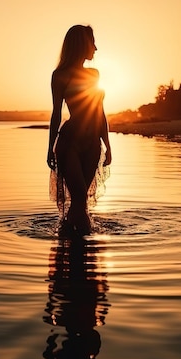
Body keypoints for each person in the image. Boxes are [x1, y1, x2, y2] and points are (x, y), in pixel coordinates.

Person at [47, 25, 112, 235]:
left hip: (92, 143)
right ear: (81, 44)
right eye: (92, 42)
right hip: (69, 143)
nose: (96, 48)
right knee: (79, 196)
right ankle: (81, 243)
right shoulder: (60, 75)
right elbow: (56, 113)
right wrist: (50, 147)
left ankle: (71, 237)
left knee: (81, 199)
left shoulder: (94, 74)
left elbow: (99, 111)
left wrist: (107, 145)